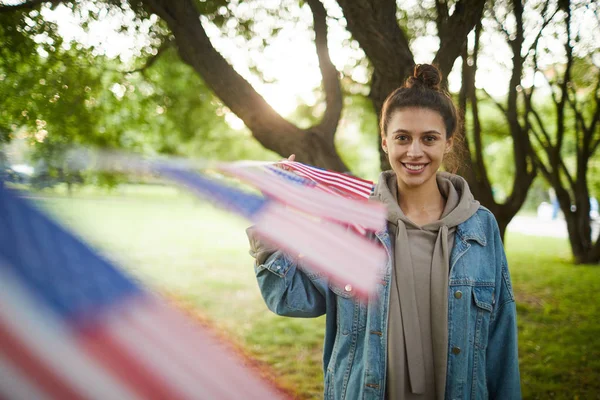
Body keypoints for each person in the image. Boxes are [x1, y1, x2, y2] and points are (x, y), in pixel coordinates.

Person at [246, 64, 521, 400]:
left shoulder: (480, 227)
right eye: (402, 137)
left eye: (429, 139)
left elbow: (500, 339)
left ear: (448, 143)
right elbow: (290, 298)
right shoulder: (352, 221)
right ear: (385, 141)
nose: (414, 152)